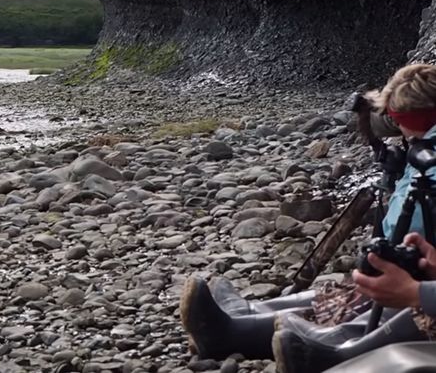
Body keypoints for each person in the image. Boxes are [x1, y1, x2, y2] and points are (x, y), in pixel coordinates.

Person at [181, 64, 436, 371]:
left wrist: (414, 290)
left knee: (384, 296)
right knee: (375, 291)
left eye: (398, 120)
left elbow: (405, 229)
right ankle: (248, 316)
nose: (395, 128)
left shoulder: (428, 164)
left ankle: (270, 337)